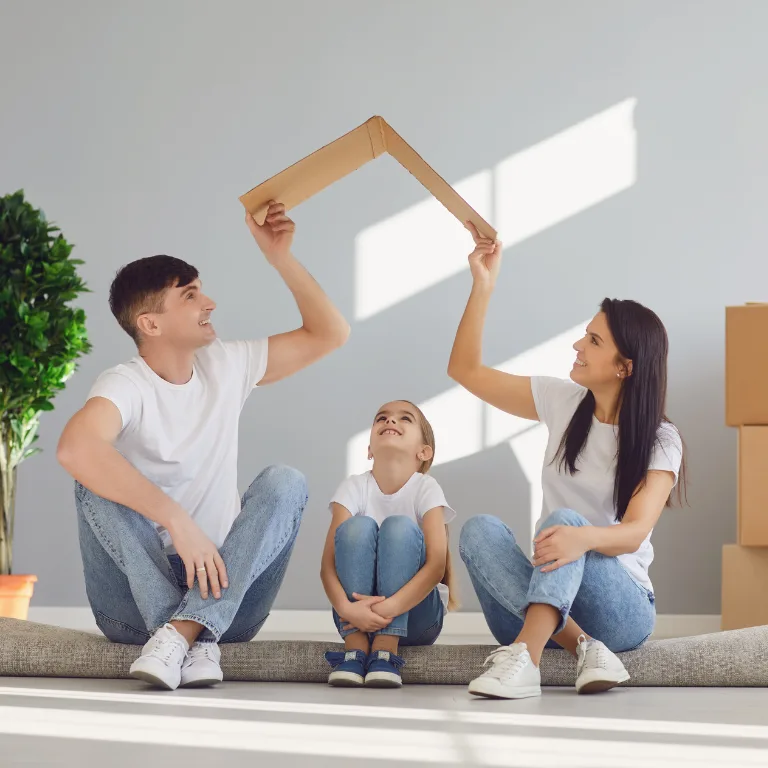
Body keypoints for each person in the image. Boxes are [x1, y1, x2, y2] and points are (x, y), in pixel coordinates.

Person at [57, 202, 350, 691]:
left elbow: (330, 333)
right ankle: (188, 634)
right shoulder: (126, 383)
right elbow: (75, 450)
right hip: (131, 606)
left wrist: (280, 257)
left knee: (286, 481)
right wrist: (177, 520)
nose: (209, 302)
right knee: (91, 483)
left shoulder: (226, 364)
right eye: (190, 295)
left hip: (226, 594)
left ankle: (183, 633)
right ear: (150, 324)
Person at [448, 223, 685, 700]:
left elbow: (634, 533)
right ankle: (577, 648)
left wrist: (579, 537)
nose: (579, 346)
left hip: (620, 608)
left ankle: (525, 659)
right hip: (547, 593)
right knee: (478, 531)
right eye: (585, 336)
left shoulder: (661, 439)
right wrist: (483, 285)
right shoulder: (561, 401)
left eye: (594, 341)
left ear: (626, 366)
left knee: (561, 523)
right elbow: (464, 371)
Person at [320, 401, 458, 688]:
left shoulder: (426, 488)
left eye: (404, 418)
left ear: (424, 452)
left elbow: (436, 566)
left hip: (417, 618)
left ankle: (386, 648)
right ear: (369, 449)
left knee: (398, 526)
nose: (390, 421)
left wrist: (390, 609)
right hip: (353, 618)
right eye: (381, 418)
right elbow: (328, 567)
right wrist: (347, 610)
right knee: (356, 527)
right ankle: (355, 650)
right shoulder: (353, 486)